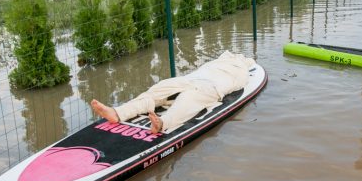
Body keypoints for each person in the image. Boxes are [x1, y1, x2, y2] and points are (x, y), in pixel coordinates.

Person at [90, 51, 255, 134]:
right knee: (159, 89)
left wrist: (243, 64)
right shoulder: (217, 61)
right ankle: (117, 113)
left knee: (188, 100)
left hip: (211, 88)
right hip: (191, 79)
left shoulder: (242, 71)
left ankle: (162, 123)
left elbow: (237, 85)